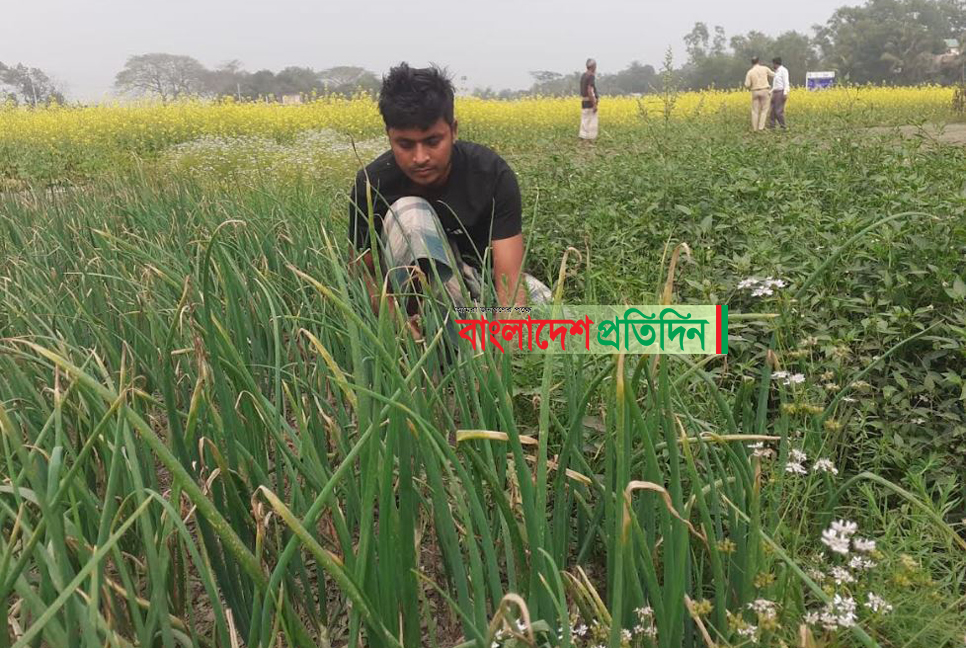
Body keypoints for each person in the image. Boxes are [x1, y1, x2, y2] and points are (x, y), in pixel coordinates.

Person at [348, 63, 550, 327]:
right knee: (411, 213)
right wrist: (396, 328)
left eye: (433, 141)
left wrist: (506, 354)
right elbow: (365, 274)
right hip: (413, 297)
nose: (420, 158)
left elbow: (509, 283)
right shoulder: (371, 185)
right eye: (405, 144)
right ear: (389, 137)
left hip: (475, 283)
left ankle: (468, 330)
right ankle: (434, 334)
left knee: (546, 308)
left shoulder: (491, 174)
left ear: (453, 130)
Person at [743, 56, 774, 131]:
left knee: (755, 111)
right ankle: (761, 127)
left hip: (755, 91)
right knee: (764, 110)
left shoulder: (750, 72)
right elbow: (774, 75)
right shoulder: (765, 68)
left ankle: (754, 129)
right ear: (758, 61)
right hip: (765, 90)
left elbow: (747, 84)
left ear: (751, 63)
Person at [579, 58, 599, 141]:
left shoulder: (584, 75)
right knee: (591, 122)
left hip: (584, 101)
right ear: (592, 66)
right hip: (589, 102)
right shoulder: (591, 76)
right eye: (595, 66)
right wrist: (594, 104)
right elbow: (590, 90)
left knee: (584, 120)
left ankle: (583, 138)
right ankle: (589, 140)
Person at [769, 57, 790, 130]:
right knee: (772, 111)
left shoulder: (783, 70)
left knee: (778, 111)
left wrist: (785, 93)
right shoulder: (776, 72)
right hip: (775, 92)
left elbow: (786, 82)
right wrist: (770, 91)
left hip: (780, 92)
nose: (772, 65)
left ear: (775, 63)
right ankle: (772, 126)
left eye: (773, 64)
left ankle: (783, 126)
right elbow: (776, 85)